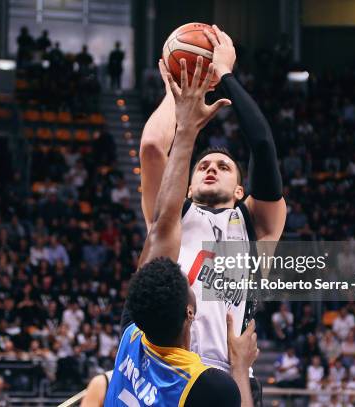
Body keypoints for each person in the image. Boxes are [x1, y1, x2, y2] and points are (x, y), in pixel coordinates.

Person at [89, 58, 257, 406]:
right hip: (221, 372)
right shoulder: (210, 386)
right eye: (205, 165)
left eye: (222, 166)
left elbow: (161, 226)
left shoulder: (132, 339)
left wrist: (181, 111)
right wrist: (240, 368)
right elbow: (163, 217)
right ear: (189, 314)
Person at [139, 24, 285, 396]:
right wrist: (184, 91)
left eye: (222, 166)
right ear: (186, 186)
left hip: (231, 373)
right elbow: (155, 148)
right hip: (172, 367)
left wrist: (225, 76)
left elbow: (264, 147)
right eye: (203, 166)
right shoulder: (174, 215)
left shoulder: (257, 225)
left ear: (240, 190)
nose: (210, 168)